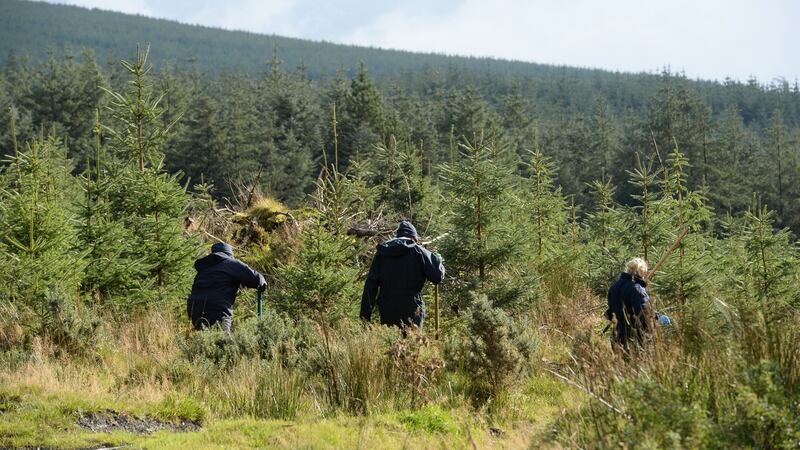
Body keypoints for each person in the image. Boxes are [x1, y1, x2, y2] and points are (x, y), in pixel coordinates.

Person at [360, 221, 445, 331]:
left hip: (387, 309)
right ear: (414, 237)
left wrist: (365, 317)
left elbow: (370, 285)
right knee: (412, 344)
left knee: (392, 343)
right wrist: (438, 262)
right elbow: (437, 277)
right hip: (413, 309)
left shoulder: (383, 253)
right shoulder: (419, 251)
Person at [187, 242, 266, 333]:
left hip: (194, 309)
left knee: (204, 340)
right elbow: (256, 279)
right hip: (218, 310)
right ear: (229, 254)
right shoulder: (230, 263)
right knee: (221, 342)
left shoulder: (204, 269)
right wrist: (263, 284)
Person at [605, 257, 652, 351]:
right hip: (634, 337)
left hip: (616, 335)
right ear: (640, 272)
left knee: (620, 364)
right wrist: (656, 319)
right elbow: (643, 313)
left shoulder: (614, 286)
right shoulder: (636, 288)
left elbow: (612, 308)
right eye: (644, 272)